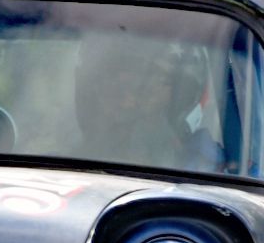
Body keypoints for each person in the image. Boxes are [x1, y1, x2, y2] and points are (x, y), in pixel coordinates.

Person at [73, 37, 221, 173]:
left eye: (145, 90)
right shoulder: (67, 163)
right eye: (116, 89)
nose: (128, 103)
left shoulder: (206, 167)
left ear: (181, 96)